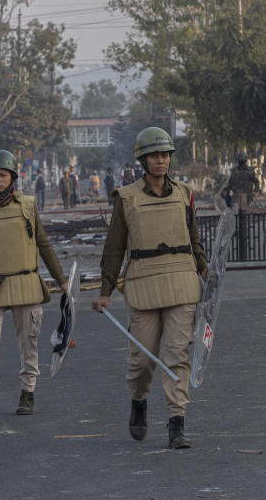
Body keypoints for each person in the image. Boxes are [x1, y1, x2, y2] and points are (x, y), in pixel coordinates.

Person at [92, 127, 207, 450]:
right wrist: (105, 290)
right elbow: (114, 248)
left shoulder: (184, 193)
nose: (161, 161)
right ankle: (139, 399)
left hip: (182, 281)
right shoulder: (126, 198)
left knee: (176, 355)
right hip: (143, 284)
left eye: (165, 154)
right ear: (143, 159)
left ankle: (176, 423)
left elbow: (193, 238)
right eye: (155, 155)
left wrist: (204, 269)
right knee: (142, 361)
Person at [0, 150, 68, 420]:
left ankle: (27, 392)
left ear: (12, 177)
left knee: (28, 343)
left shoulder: (27, 206)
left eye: (2, 175)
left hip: (25, 284)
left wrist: (62, 280)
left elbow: (43, 245)